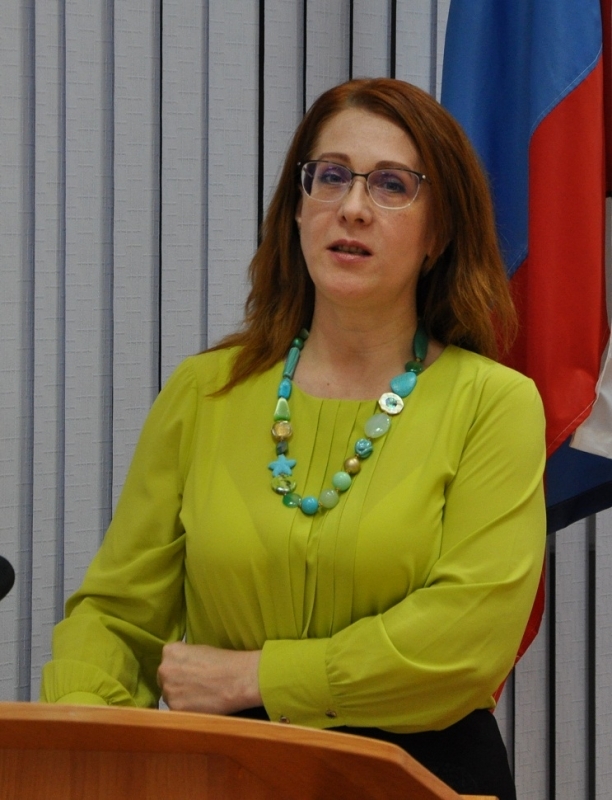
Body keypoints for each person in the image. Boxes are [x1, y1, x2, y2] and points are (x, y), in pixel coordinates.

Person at [41, 78, 546, 800]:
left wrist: (255, 677)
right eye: (331, 176)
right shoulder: (205, 391)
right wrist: (82, 734)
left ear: (438, 233)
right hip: (226, 776)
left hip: (427, 776)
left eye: (392, 185)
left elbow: (465, 641)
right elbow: (118, 615)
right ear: (298, 209)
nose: (353, 207)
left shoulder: (494, 405)